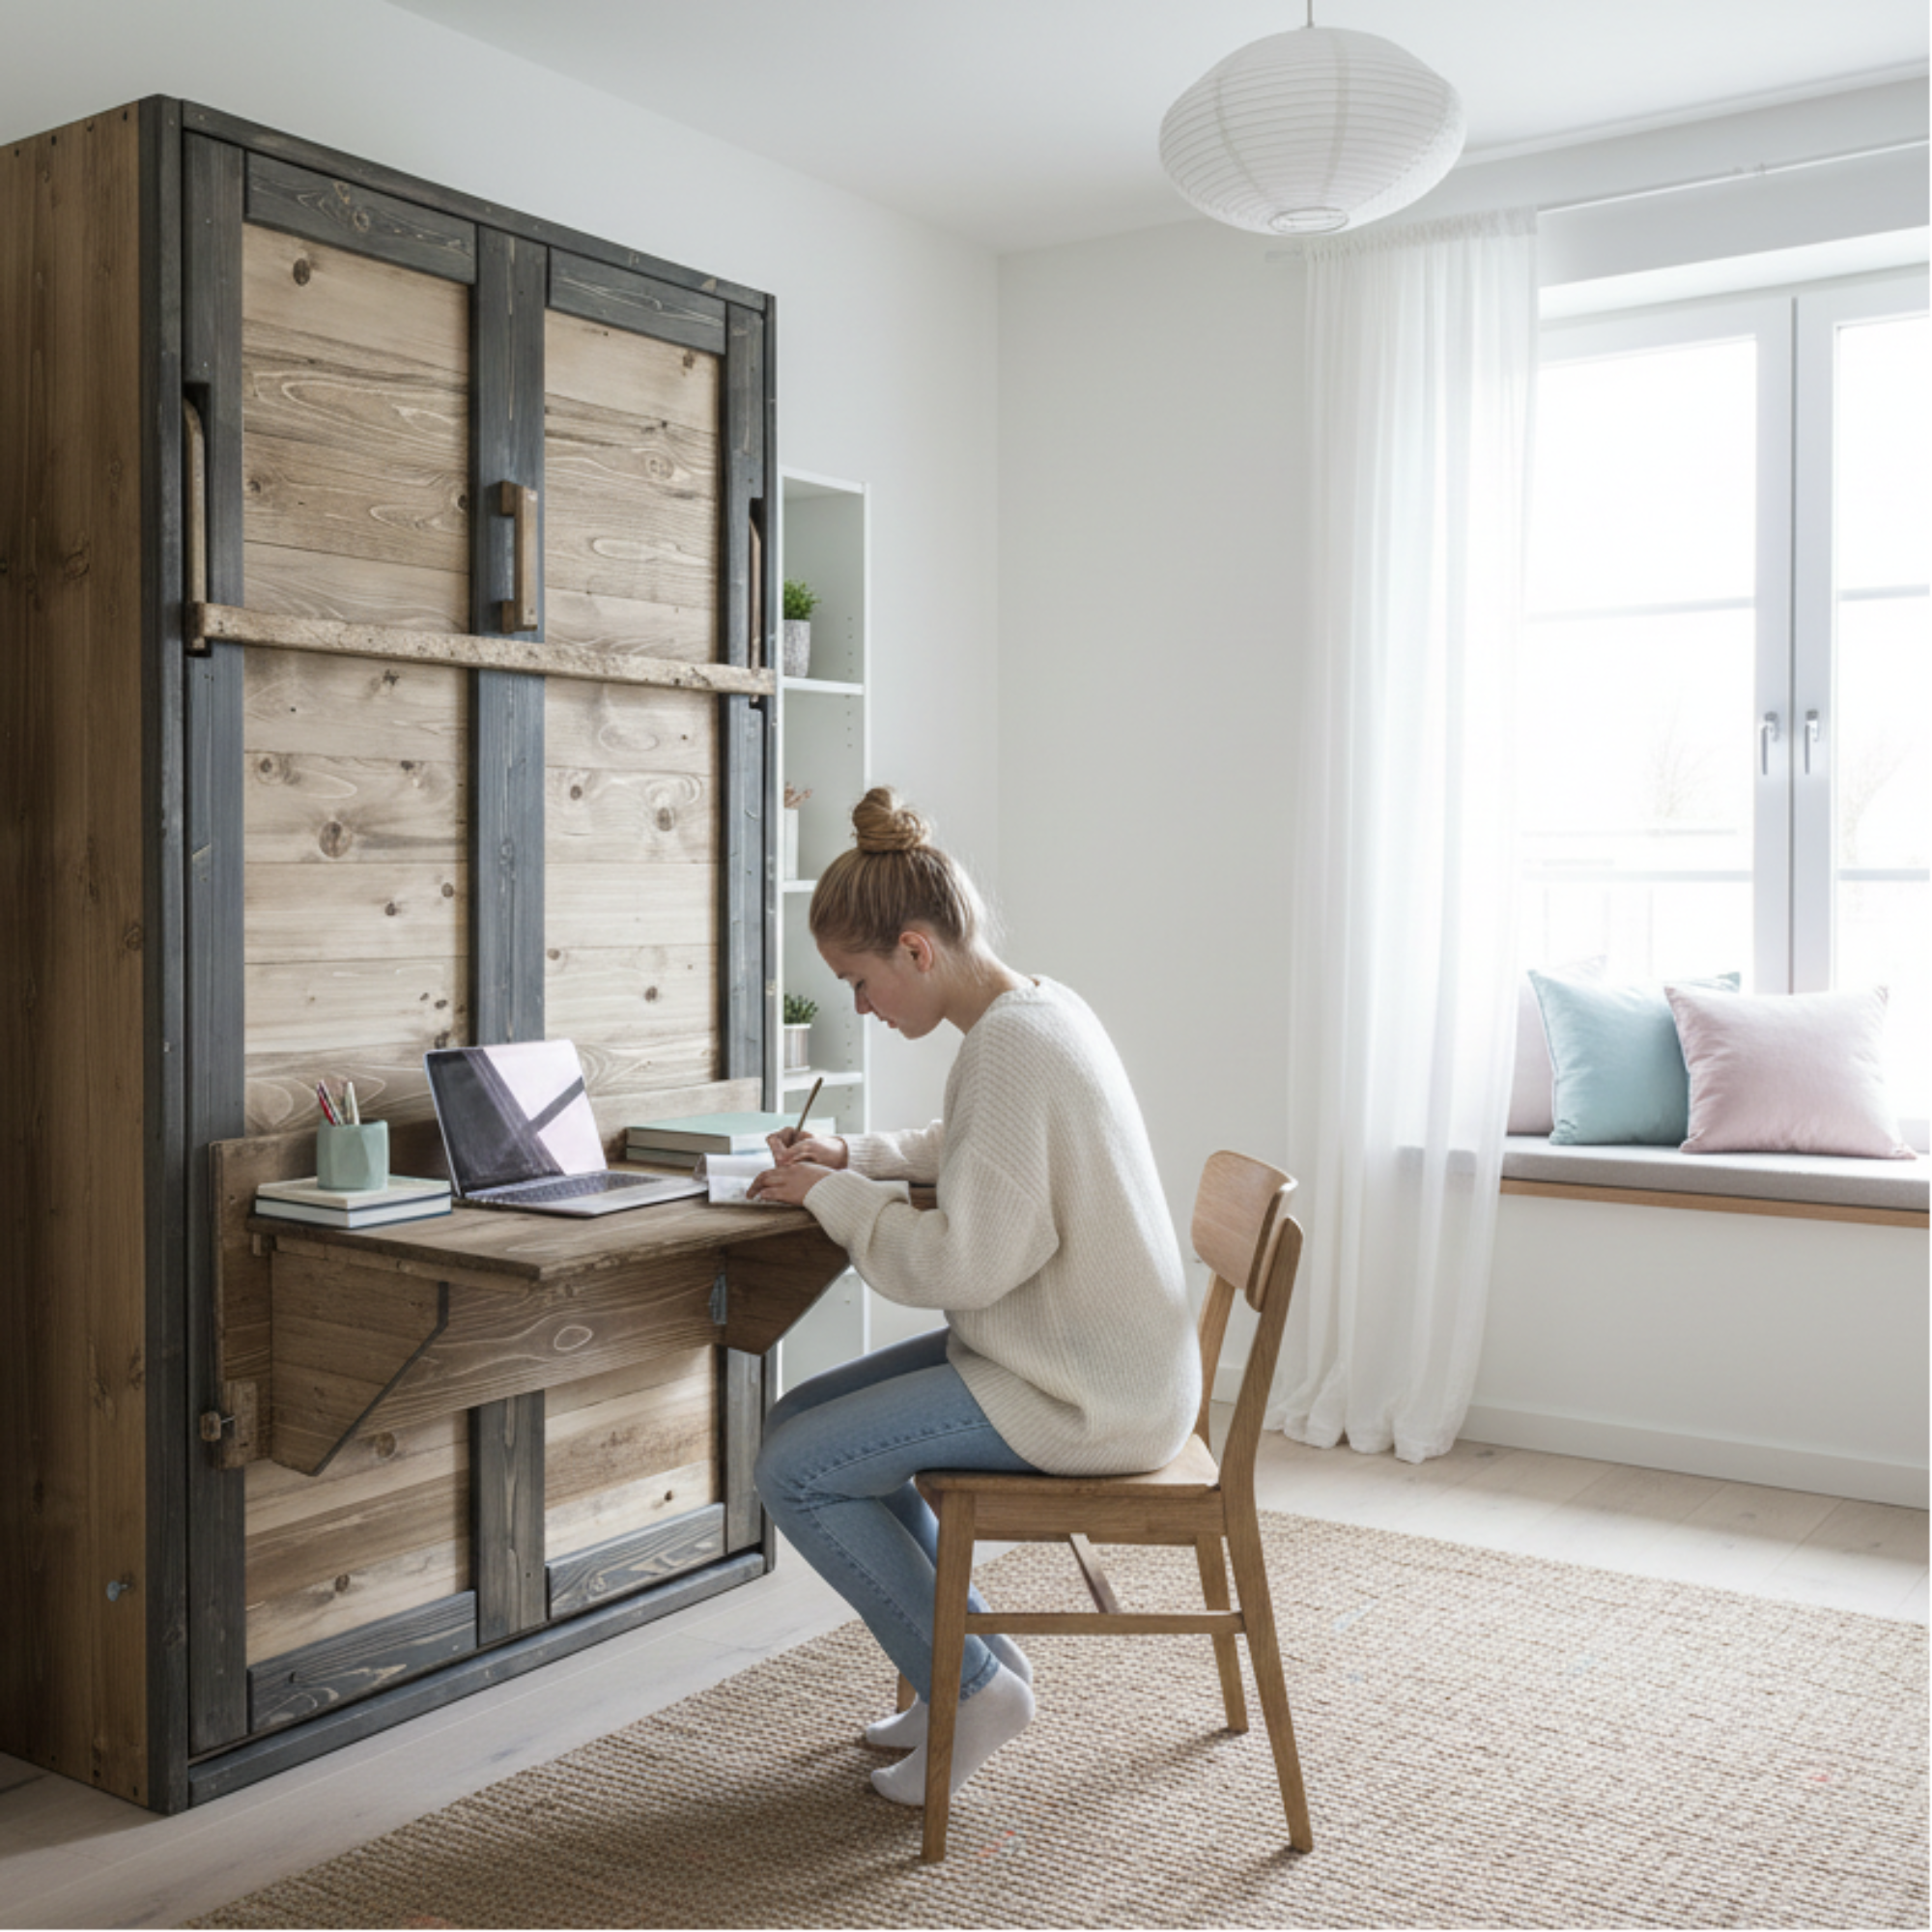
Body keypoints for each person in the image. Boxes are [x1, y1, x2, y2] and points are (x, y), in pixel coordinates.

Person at [749, 786, 1200, 1809]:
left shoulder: (1007, 1045)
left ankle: (977, 1687)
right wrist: (850, 1153)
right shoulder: (1034, 1009)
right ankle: (972, 1668)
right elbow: (976, 1150)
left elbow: (957, 1266)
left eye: (858, 983)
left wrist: (837, 1196)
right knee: (798, 1421)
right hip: (1083, 1356)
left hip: (1083, 1390)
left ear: (914, 948)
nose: (860, 1008)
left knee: (796, 1467)